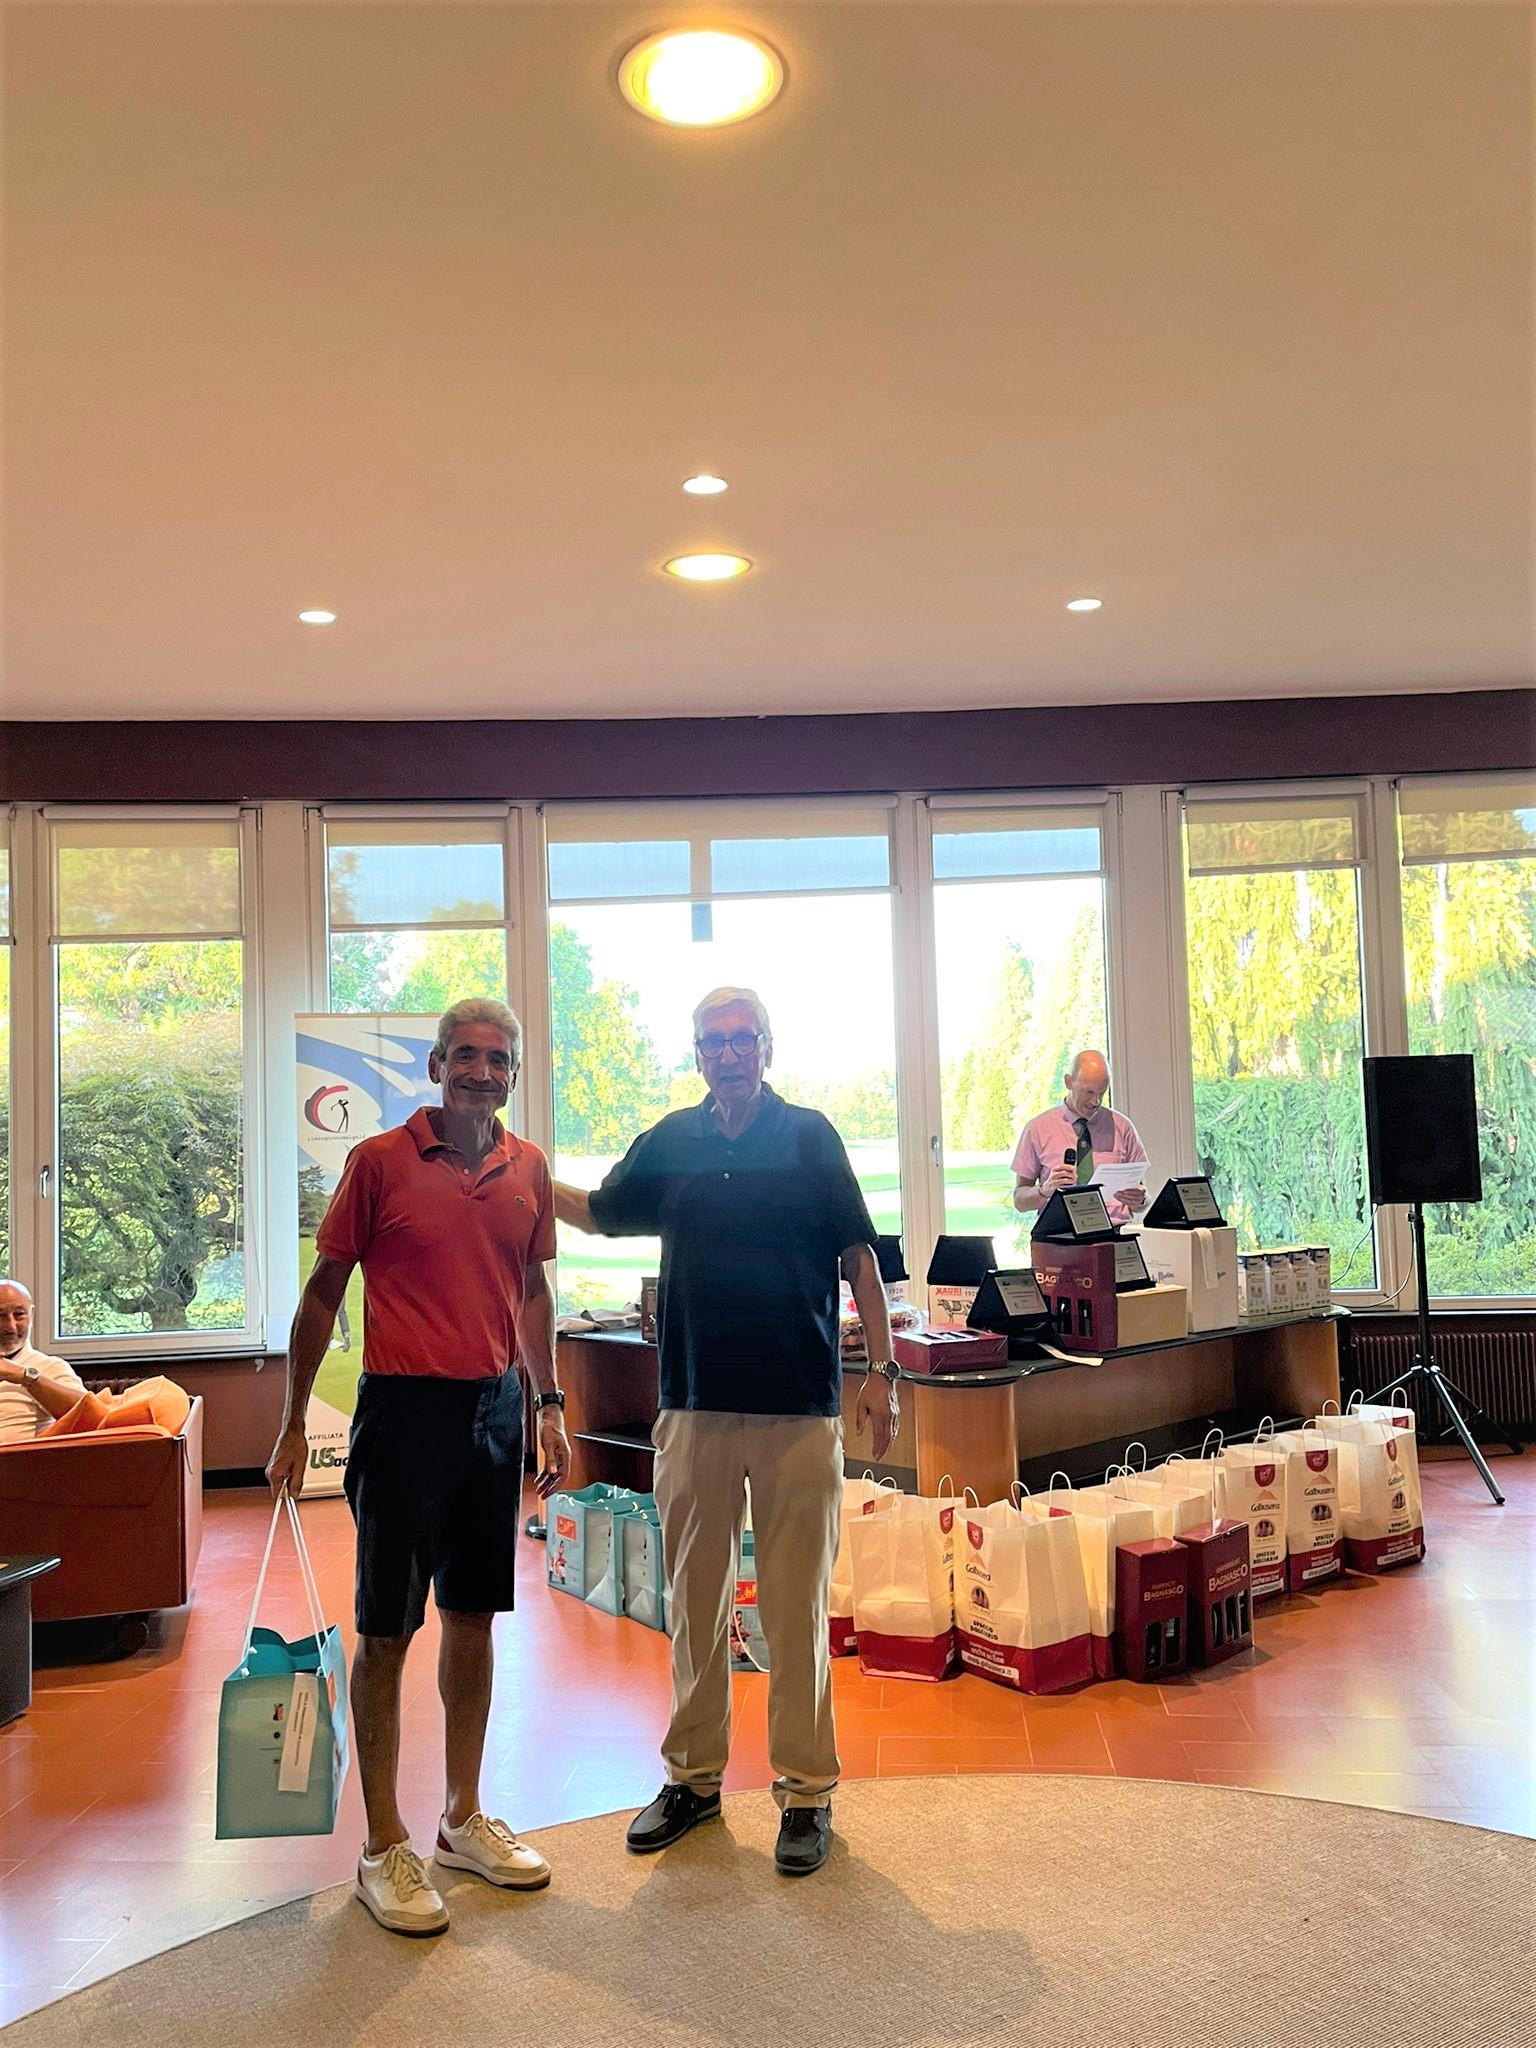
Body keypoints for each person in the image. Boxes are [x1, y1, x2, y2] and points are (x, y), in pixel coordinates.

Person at [553, 987, 899, 1879]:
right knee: (694, 1601)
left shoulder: (810, 1136)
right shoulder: (674, 1140)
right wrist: (522, 1173)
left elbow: (859, 1259)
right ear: (698, 1055)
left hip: (798, 1409)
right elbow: (599, 1211)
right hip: (694, 1404)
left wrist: (883, 1374)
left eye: (744, 1039)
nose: (730, 1053)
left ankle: (806, 1792)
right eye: (714, 1041)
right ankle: (693, 1781)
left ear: (768, 1048)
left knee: (793, 1609)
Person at [267, 998, 571, 1939]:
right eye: (466, 1055)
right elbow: (323, 1295)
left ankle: (460, 1818)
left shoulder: (529, 1169)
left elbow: (532, 1290)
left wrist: (548, 1403)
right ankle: (381, 1845)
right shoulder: (378, 1162)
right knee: (388, 1630)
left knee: (473, 1619)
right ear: (437, 1065)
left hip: (493, 1413)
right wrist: (291, 1424)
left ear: (513, 1073)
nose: (482, 1071)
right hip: (401, 1417)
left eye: (499, 1059)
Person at [1012, 1049, 1148, 1225]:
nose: (1096, 1101)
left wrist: (1141, 1200)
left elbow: (1143, 1197)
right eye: (1089, 1092)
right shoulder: (1037, 1129)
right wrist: (1045, 1190)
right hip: (1060, 1234)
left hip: (1115, 1233)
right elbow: (1020, 1201)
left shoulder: (1122, 1127)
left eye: (1102, 1092)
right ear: (1068, 1082)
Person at [0, 1281, 87, 1444]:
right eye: (0, 1315)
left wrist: (24, 1376)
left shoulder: (50, 1366)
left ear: (31, 1315)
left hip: (19, 1458)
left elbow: (86, 1414)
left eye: (19, 1314)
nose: (10, 1327)